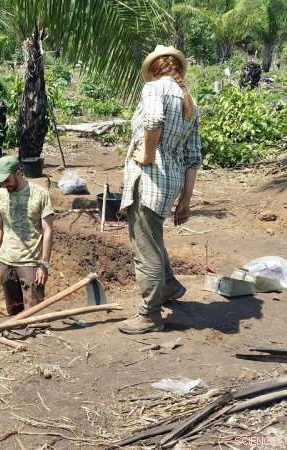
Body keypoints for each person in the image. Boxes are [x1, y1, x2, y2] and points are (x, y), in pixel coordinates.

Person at [117, 45, 202, 335]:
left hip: (151, 179)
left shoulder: (155, 89)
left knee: (144, 247)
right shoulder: (188, 101)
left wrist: (148, 155)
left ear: (155, 69)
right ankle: (169, 286)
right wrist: (185, 201)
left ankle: (150, 314)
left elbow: (152, 122)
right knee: (154, 237)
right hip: (171, 182)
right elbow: (193, 158)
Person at [0, 156, 54, 316]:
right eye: (1, 182)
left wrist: (43, 265)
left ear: (19, 173)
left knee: (33, 315)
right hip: (6, 262)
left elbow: (48, 231)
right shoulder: (0, 194)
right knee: (14, 313)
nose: (4, 185)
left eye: (7, 180)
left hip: (30, 263)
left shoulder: (40, 195)